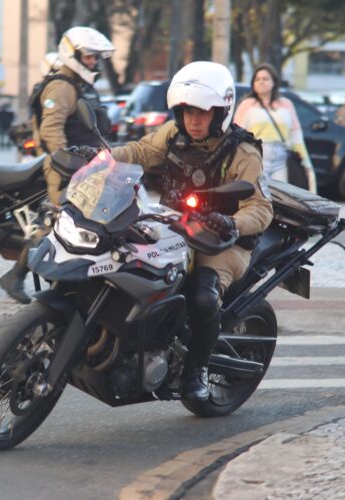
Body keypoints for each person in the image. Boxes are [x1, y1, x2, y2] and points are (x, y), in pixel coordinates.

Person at [109, 61, 274, 401]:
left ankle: (195, 371)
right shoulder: (174, 134)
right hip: (175, 227)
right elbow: (142, 151)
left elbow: (260, 209)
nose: (193, 121)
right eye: (186, 112)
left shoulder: (242, 151)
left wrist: (231, 222)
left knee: (202, 294)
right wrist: (103, 157)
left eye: (202, 112)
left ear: (221, 112)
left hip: (224, 241)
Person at [0, 26, 114, 304]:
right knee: (59, 225)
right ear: (71, 54)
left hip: (88, 168)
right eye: (88, 57)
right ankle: (15, 276)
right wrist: (70, 164)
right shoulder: (62, 86)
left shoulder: (79, 85)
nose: (93, 62)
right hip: (68, 170)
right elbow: (52, 131)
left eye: (95, 57)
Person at [233, 63, 317, 193]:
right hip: (257, 157)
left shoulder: (286, 104)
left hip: (281, 158)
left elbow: (296, 136)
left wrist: (306, 164)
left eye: (265, 79)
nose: (261, 82)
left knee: (281, 196)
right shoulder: (246, 105)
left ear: (274, 82)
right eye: (257, 79)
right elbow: (236, 136)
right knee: (259, 196)